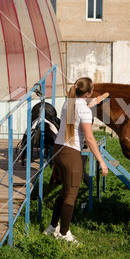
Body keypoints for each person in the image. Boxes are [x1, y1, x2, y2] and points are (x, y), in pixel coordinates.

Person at [44, 77, 108, 244]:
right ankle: (65, 234)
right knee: (71, 194)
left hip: (58, 150)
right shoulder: (83, 110)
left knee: (65, 191)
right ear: (88, 93)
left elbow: (77, 115)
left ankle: (52, 228)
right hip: (71, 153)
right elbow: (89, 138)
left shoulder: (68, 103)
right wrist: (101, 161)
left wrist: (89, 105)